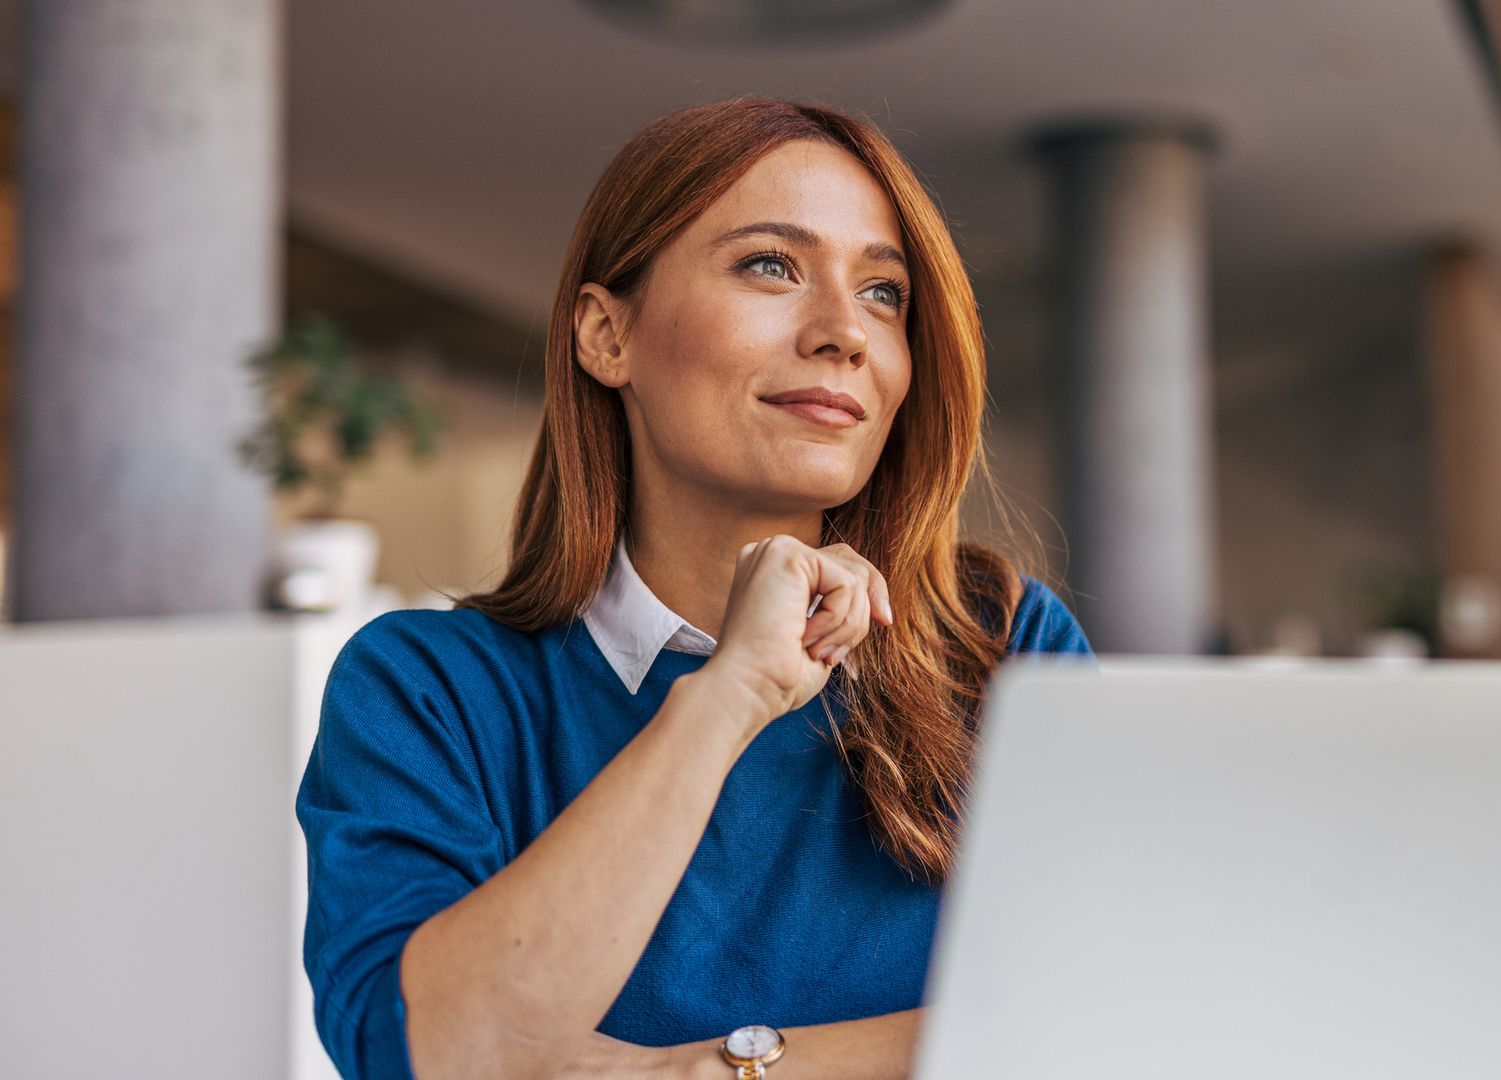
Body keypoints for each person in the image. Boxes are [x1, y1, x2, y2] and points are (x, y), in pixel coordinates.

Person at [296, 98, 1091, 1080]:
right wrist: (726, 699)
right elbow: (435, 1057)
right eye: (771, 265)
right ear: (606, 335)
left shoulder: (1000, 646)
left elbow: (1100, 1017)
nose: (846, 331)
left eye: (885, 293)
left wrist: (697, 1074)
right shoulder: (430, 690)